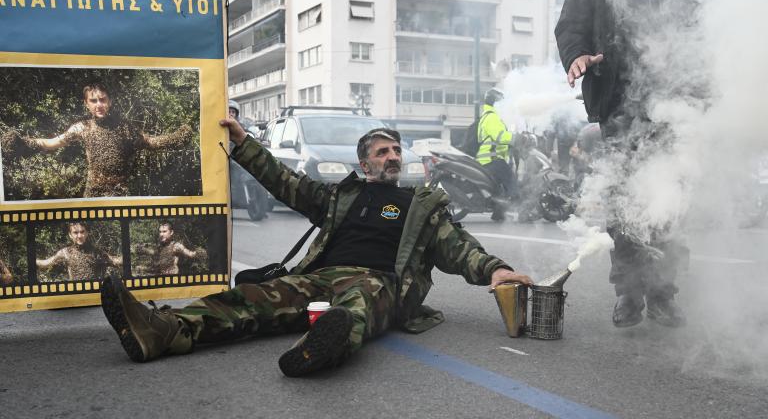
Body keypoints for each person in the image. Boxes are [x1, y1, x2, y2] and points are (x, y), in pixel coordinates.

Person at [99, 120, 533, 377]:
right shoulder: (340, 196)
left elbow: (458, 247)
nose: (393, 156)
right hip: (319, 278)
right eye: (383, 152)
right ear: (365, 164)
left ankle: (320, 348)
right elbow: (286, 182)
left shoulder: (421, 206)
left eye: (397, 150)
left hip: (379, 282)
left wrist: (495, 270)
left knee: (358, 305)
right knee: (245, 299)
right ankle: (161, 331)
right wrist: (243, 143)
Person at [555, 0, 692, 328]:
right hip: (617, 101)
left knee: (669, 201)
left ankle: (662, 293)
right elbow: (572, 24)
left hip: (673, 102)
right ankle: (629, 291)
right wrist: (577, 55)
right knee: (623, 199)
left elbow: (701, 26)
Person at [4, 83, 194, 198]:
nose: (99, 105)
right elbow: (54, 143)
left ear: (109, 101)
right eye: (93, 101)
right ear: (86, 104)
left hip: (120, 192)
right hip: (93, 192)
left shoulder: (125, 127)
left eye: (102, 100)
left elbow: (150, 143)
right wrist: (24, 143)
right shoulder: (82, 127)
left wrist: (177, 137)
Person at [475, 88, 516, 221]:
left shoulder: (487, 116)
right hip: (491, 159)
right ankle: (523, 209)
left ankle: (498, 213)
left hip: (487, 160)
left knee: (500, 189)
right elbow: (500, 136)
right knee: (511, 181)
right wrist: (517, 138)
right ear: (496, 103)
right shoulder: (492, 117)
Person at [36, 222, 122, 282]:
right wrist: (30, 260)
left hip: (94, 293)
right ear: (70, 235)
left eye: (82, 232)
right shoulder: (65, 252)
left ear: (87, 233)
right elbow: (45, 263)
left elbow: (116, 261)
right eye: (75, 232)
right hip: (75, 294)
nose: (79, 236)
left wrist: (130, 255)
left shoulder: (96, 252)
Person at [135, 222, 206, 276]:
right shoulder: (161, 245)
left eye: (164, 231)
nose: (161, 234)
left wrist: (200, 252)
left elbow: (190, 254)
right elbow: (155, 253)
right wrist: (144, 250)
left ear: (171, 232)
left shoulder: (176, 246)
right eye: (160, 232)